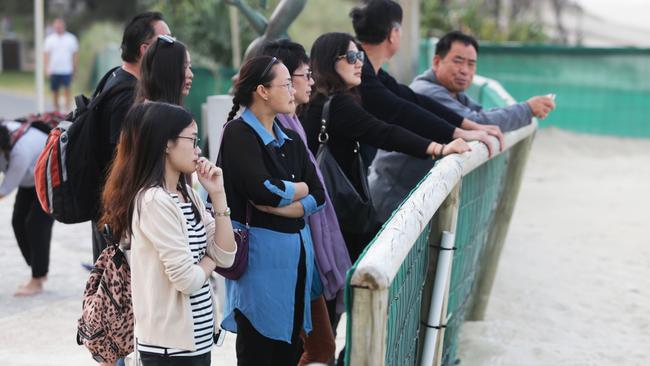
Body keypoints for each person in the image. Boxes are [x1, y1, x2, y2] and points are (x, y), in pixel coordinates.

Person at [303, 32, 470, 264]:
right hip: (334, 211)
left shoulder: (315, 99)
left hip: (318, 207)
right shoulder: (337, 104)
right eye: (351, 56)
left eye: (359, 55)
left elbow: (403, 105)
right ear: (330, 61)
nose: (359, 62)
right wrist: (438, 148)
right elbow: (384, 132)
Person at [99, 101, 237, 365]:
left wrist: (218, 195)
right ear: (165, 143)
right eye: (193, 140)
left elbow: (227, 255)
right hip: (169, 350)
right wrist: (210, 260)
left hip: (196, 341)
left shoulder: (188, 196)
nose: (198, 150)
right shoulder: (154, 201)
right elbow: (187, 279)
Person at [219, 56, 326, 365]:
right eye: (287, 84)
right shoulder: (238, 134)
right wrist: (299, 190)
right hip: (260, 269)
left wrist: (288, 206)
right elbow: (260, 189)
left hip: (295, 268)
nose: (294, 90)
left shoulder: (290, 138)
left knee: (290, 352)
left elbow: (318, 194)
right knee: (259, 351)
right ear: (262, 91)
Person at [259, 39, 348, 365]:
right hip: (286, 257)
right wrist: (305, 195)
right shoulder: (264, 130)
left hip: (302, 252)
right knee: (316, 347)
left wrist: (305, 196)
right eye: (301, 75)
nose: (309, 82)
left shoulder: (292, 125)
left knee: (315, 346)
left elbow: (312, 191)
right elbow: (269, 194)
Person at [350, 0, 503, 163]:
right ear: (393, 34)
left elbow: (413, 100)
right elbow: (400, 110)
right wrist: (460, 134)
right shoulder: (359, 75)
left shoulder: (373, 73)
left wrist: (471, 127)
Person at [91, 12, 171, 262]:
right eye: (167, 41)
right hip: (119, 210)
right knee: (120, 292)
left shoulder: (114, 77)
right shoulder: (127, 94)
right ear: (145, 49)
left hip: (110, 204)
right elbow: (122, 158)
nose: (173, 47)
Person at [411, 30, 556, 131]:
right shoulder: (426, 91)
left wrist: (527, 109)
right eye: (458, 61)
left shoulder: (454, 93)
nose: (465, 70)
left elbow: (482, 114)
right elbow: (476, 123)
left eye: (471, 64)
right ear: (437, 62)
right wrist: (527, 109)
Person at [0, 121, 54, 296]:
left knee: (36, 226)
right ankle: (38, 268)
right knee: (17, 222)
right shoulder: (5, 133)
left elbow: (4, 189)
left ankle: (37, 279)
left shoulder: (19, 153)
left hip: (48, 178)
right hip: (29, 177)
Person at [135, 35, 194, 105]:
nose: (191, 75)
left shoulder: (138, 110)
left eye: (189, 67)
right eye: (184, 67)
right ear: (164, 70)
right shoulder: (175, 115)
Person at [44, 18, 78, 112]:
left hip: (66, 69)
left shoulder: (71, 38)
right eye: (57, 26)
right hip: (54, 69)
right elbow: (46, 54)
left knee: (67, 89)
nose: (58, 28)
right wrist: (46, 67)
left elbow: (74, 54)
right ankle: (56, 109)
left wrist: (74, 69)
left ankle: (67, 108)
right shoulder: (50, 39)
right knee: (55, 91)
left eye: (60, 26)